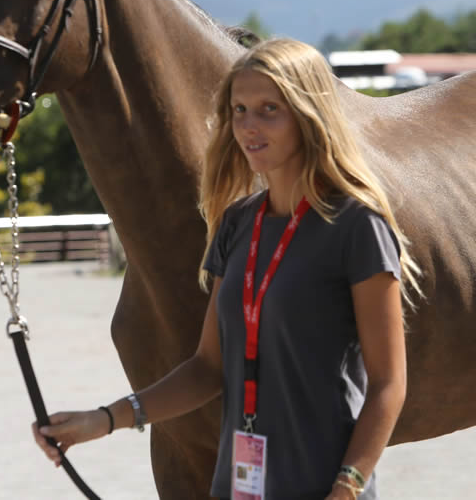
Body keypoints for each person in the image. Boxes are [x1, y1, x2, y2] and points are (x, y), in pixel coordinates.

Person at [32, 38, 422, 499]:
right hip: (240, 486)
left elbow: (388, 384)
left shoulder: (357, 227)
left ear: (308, 114)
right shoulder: (238, 224)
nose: (249, 126)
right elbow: (205, 368)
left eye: (268, 109)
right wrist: (104, 419)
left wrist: (347, 487)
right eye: (239, 110)